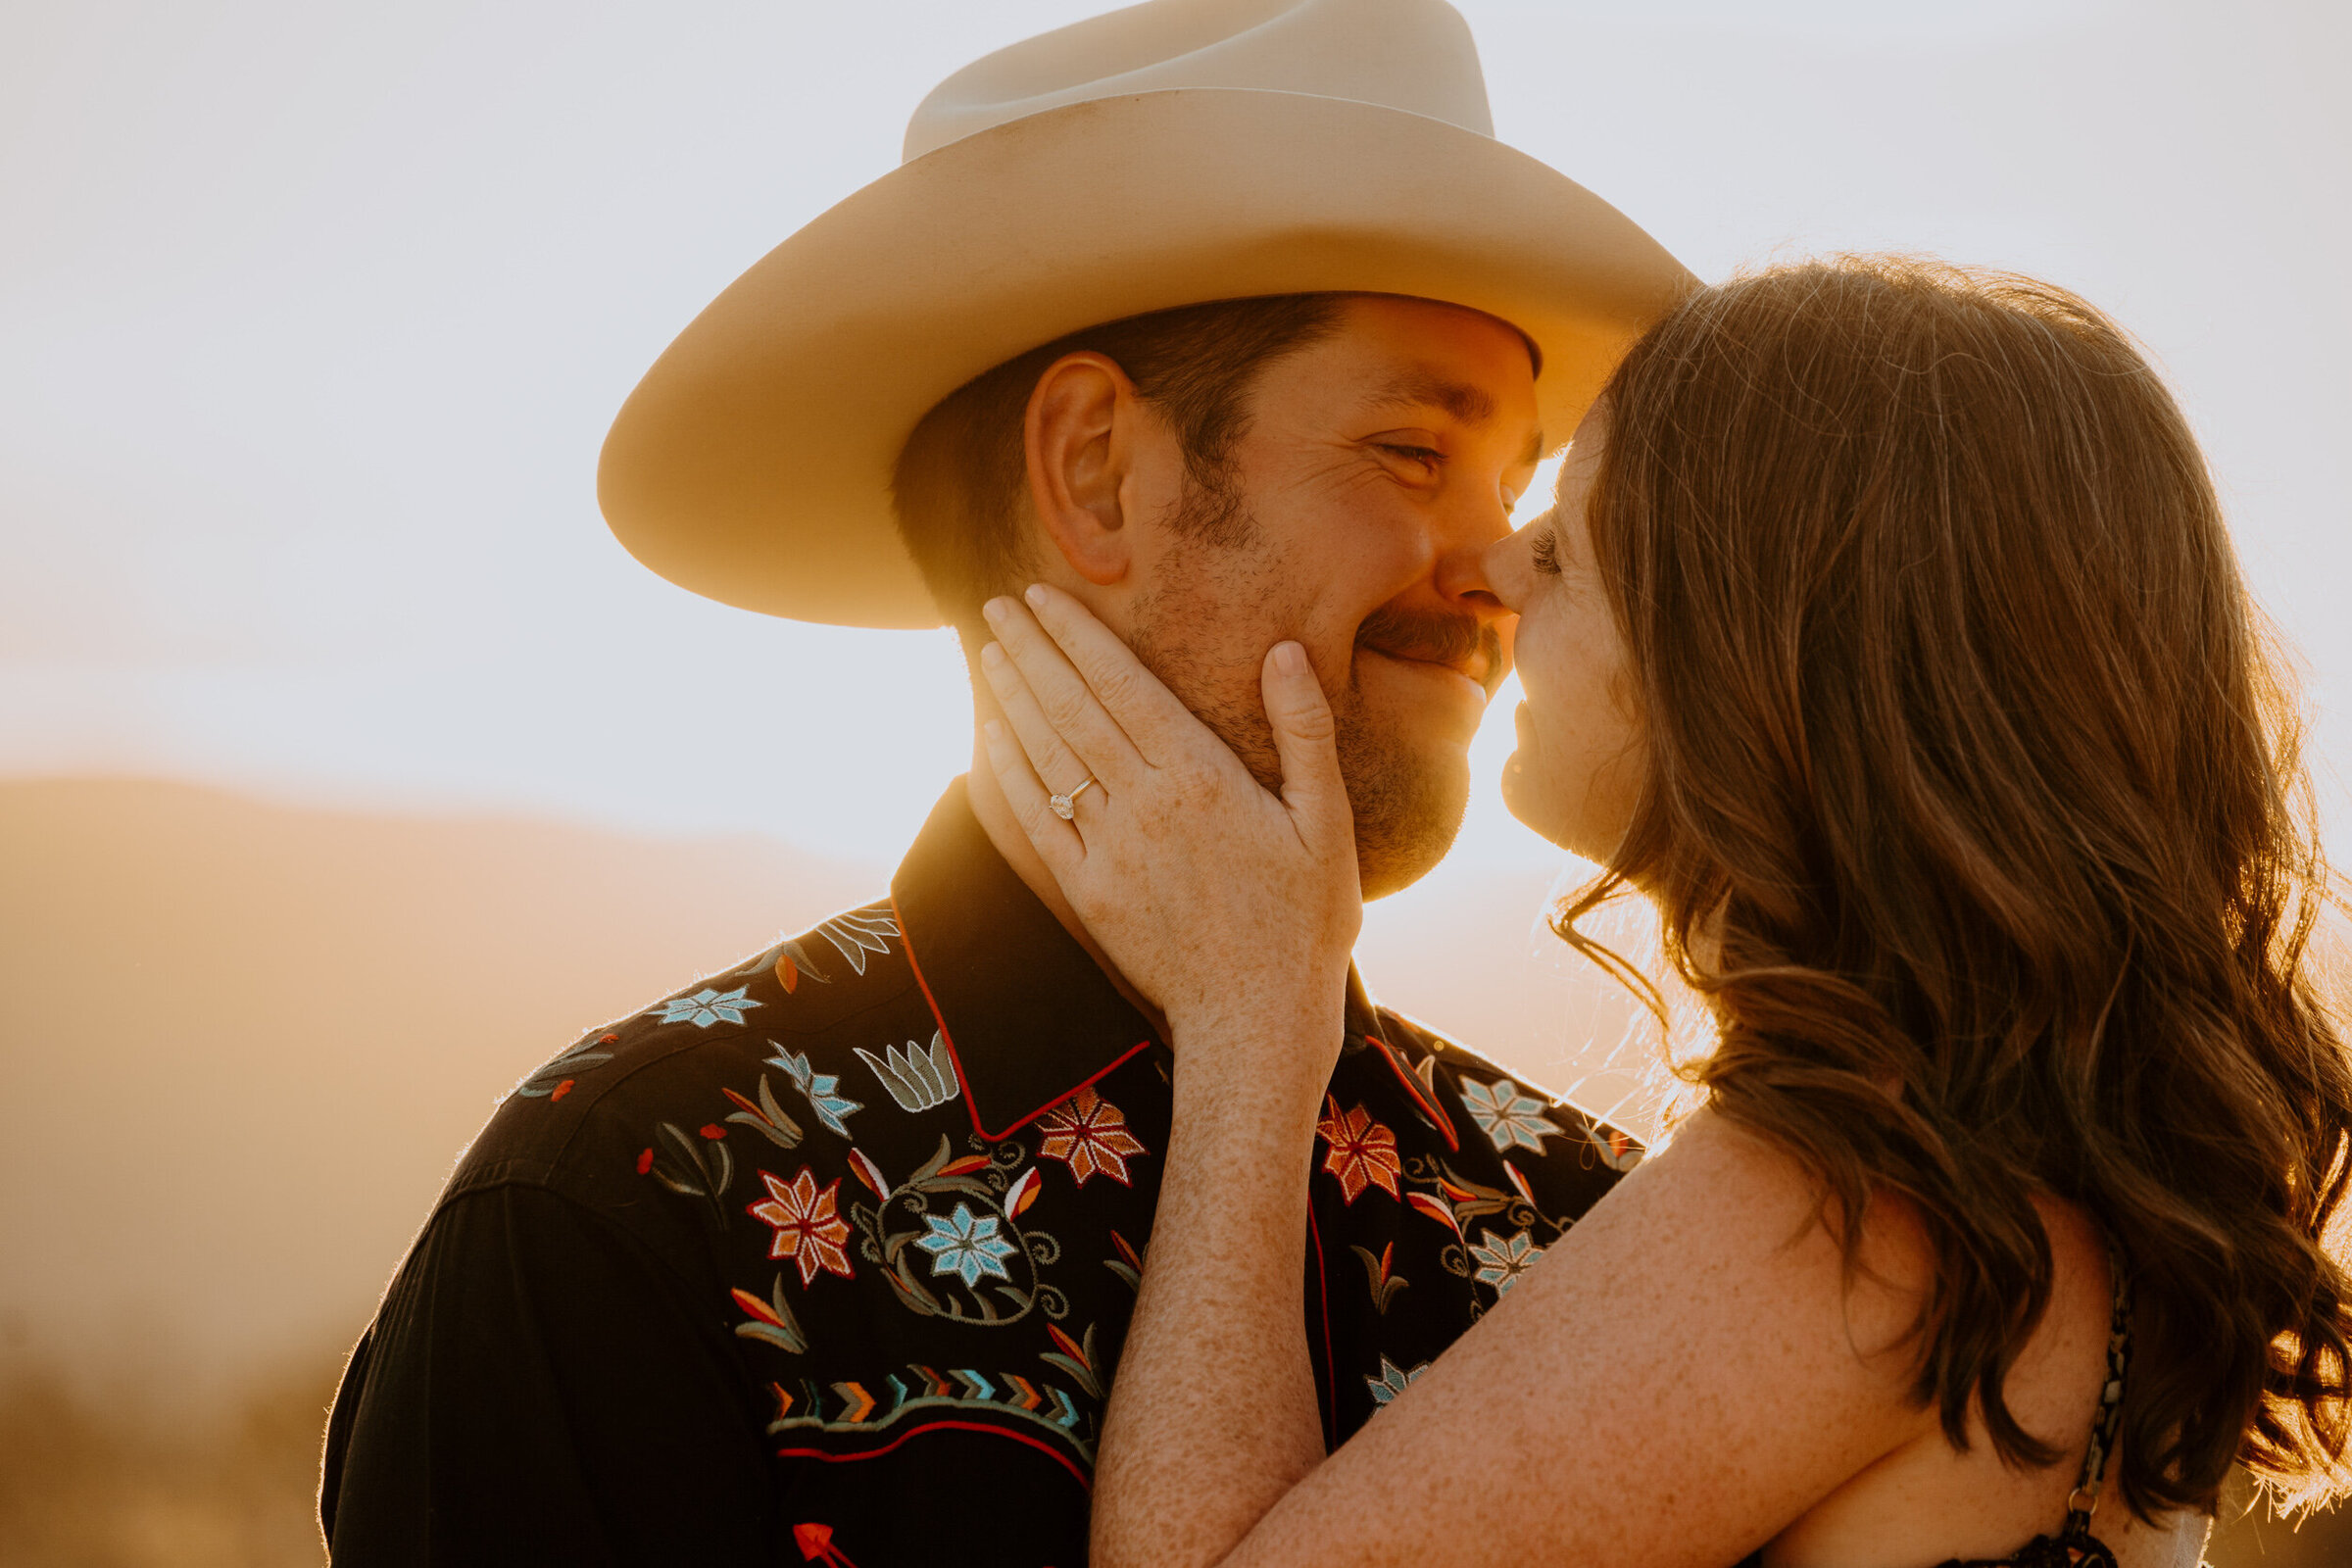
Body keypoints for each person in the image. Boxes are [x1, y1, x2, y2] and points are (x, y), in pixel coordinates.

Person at [318, 2, 1692, 1562]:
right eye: (1411, 454)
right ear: (1098, 470)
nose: (1502, 570)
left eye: (1515, 483)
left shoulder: (1581, 1225)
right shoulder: (631, 1208)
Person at [977, 257, 2352, 1565]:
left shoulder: (1862, 1208)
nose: (1498, 573)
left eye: (1569, 546)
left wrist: (1251, 1026)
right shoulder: (2024, 1151)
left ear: (1759, 651)